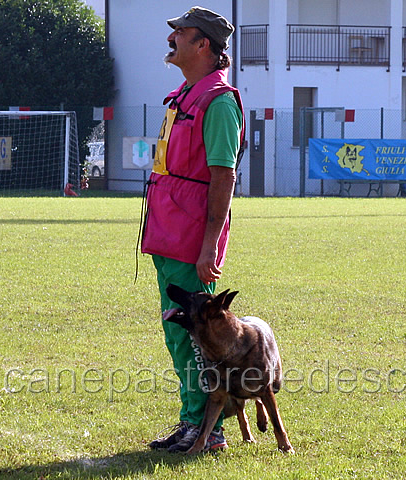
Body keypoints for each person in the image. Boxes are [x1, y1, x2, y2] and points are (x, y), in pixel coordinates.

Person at [141, 6, 244, 453]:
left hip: (189, 240)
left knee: (200, 338)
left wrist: (209, 247)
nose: (173, 39)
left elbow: (223, 177)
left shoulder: (218, 103)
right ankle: (191, 422)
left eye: (180, 33)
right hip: (167, 234)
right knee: (176, 334)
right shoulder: (184, 95)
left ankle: (210, 430)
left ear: (203, 44)